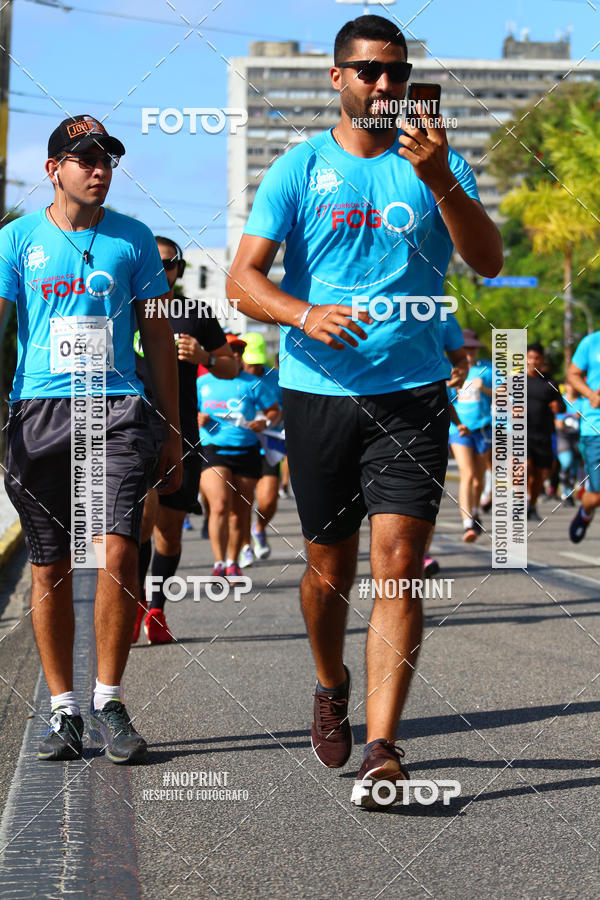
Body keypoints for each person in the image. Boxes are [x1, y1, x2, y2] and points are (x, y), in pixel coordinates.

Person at [227, 15, 502, 807]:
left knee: (398, 568)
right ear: (338, 80)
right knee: (327, 570)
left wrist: (444, 176)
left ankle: (383, 748)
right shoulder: (300, 167)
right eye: (370, 72)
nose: (386, 87)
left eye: (397, 72)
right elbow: (242, 280)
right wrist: (301, 314)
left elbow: (487, 261)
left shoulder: (437, 165)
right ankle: (329, 678)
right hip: (317, 394)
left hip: (411, 395)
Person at [0, 115, 182, 763]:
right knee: (49, 564)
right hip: (40, 411)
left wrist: (172, 426)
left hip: (118, 408)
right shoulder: (16, 240)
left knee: (115, 553)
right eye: (84, 159)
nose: (99, 168)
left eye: (107, 158)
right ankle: (63, 711)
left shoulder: (134, 240)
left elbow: (158, 336)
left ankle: (108, 699)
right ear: (54, 169)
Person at [133, 237, 236, 643]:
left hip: (183, 435)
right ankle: (134, 602)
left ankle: (156, 606)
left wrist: (206, 358)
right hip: (134, 431)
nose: (162, 270)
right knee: (140, 523)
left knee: (169, 532)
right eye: (154, 263)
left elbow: (230, 366)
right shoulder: (123, 308)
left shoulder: (194, 312)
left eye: (170, 263)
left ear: (179, 269)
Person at [197, 335, 273, 577]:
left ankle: (233, 562)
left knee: (240, 511)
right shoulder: (202, 383)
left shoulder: (253, 383)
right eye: (231, 351)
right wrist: (196, 417)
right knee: (219, 505)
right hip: (213, 450)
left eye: (239, 351)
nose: (236, 356)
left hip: (247, 451)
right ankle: (218, 563)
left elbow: (274, 412)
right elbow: (184, 410)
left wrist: (265, 421)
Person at [240, 332, 284, 565]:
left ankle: (259, 528)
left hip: (269, 445)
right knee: (242, 502)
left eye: (258, 363)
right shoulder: (232, 379)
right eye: (250, 363)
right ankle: (245, 546)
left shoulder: (275, 378)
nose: (254, 368)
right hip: (239, 446)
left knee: (268, 501)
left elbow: (282, 410)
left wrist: (267, 422)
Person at [448, 330, 493, 542]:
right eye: (465, 348)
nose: (469, 352)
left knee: (478, 479)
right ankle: (468, 524)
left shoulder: (487, 368)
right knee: (467, 474)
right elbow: (443, 395)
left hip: (483, 428)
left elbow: (504, 393)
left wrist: (483, 388)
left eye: (473, 348)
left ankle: (474, 512)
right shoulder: (450, 369)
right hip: (458, 429)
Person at [567, 331, 600, 541]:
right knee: (596, 495)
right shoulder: (592, 341)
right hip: (595, 428)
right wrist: (590, 395)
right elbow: (573, 374)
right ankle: (586, 512)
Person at [526, 343, 564, 521]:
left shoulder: (550, 382)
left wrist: (557, 406)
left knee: (539, 475)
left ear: (542, 359)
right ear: (526, 358)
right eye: (530, 357)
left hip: (543, 434)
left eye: (537, 358)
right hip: (522, 433)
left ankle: (531, 505)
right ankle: (520, 503)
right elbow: (502, 400)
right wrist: (511, 408)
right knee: (524, 468)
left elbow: (562, 405)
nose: (533, 361)